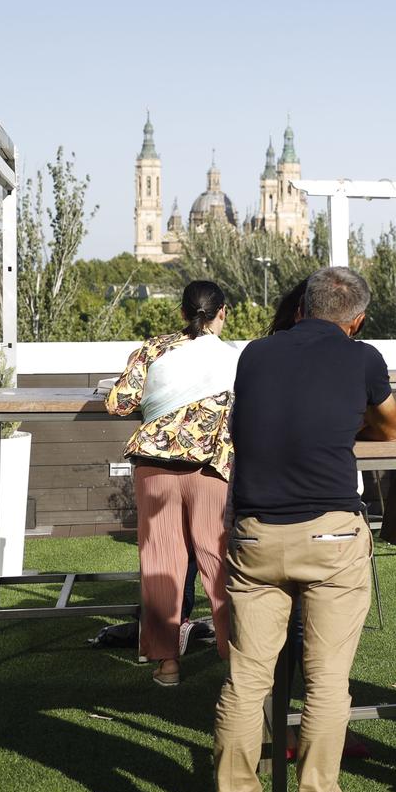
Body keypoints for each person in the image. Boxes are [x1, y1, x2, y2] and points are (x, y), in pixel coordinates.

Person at [211, 266, 396, 792]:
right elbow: (391, 430)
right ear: (357, 319)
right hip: (330, 538)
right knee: (327, 682)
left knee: (246, 680)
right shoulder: (363, 358)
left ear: (301, 308)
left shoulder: (254, 355)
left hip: (255, 535)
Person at [105, 280, 239, 686]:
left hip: (155, 466)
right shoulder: (237, 358)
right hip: (211, 468)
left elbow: (118, 403)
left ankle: (167, 665)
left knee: (161, 563)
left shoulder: (154, 349)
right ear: (223, 313)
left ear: (182, 314)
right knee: (219, 563)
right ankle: (237, 659)